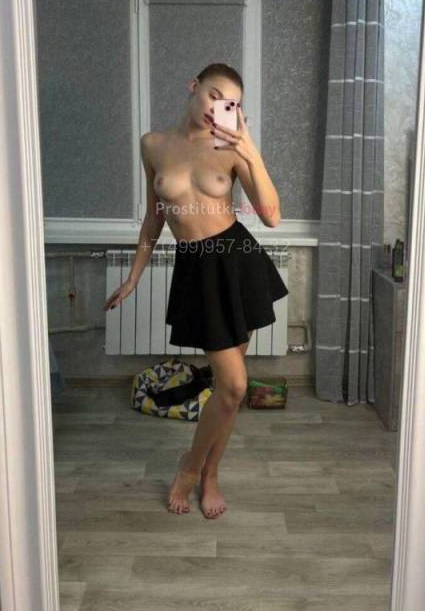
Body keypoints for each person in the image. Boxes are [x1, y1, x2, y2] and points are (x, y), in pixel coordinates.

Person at [104, 63, 289, 519]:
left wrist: (250, 151)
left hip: (236, 261)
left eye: (231, 103)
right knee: (232, 388)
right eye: (214, 94)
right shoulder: (152, 145)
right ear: (194, 86)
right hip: (196, 269)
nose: (218, 107)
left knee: (231, 387)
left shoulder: (230, 147)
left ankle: (201, 472)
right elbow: (155, 219)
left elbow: (271, 216)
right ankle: (197, 469)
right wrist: (133, 276)